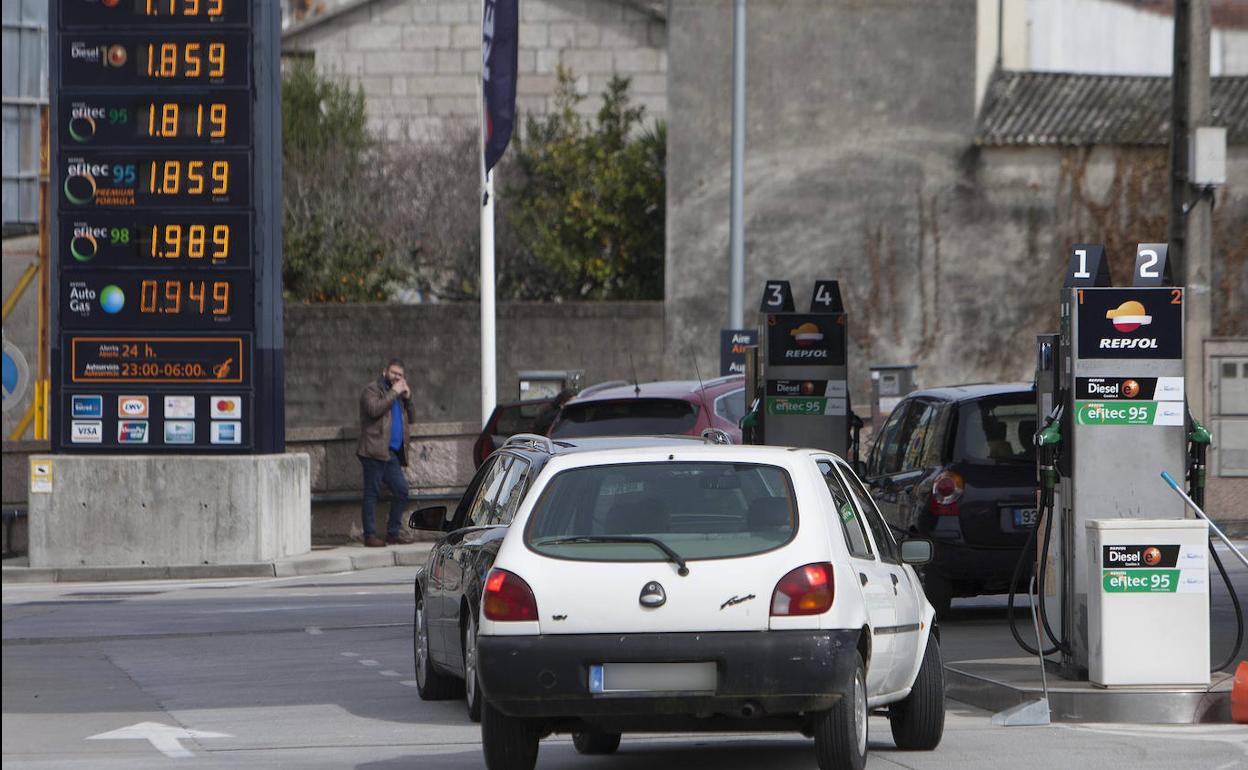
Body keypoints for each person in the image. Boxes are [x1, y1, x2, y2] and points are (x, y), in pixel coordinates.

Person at [357, 358, 417, 547]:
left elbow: (413, 418)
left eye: (400, 375)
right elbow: (374, 409)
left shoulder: (399, 396)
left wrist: (408, 398)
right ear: (385, 372)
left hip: (391, 453)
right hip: (373, 450)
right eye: (394, 373)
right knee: (371, 493)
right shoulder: (372, 390)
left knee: (401, 490)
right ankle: (370, 535)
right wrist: (395, 392)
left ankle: (393, 533)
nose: (397, 377)